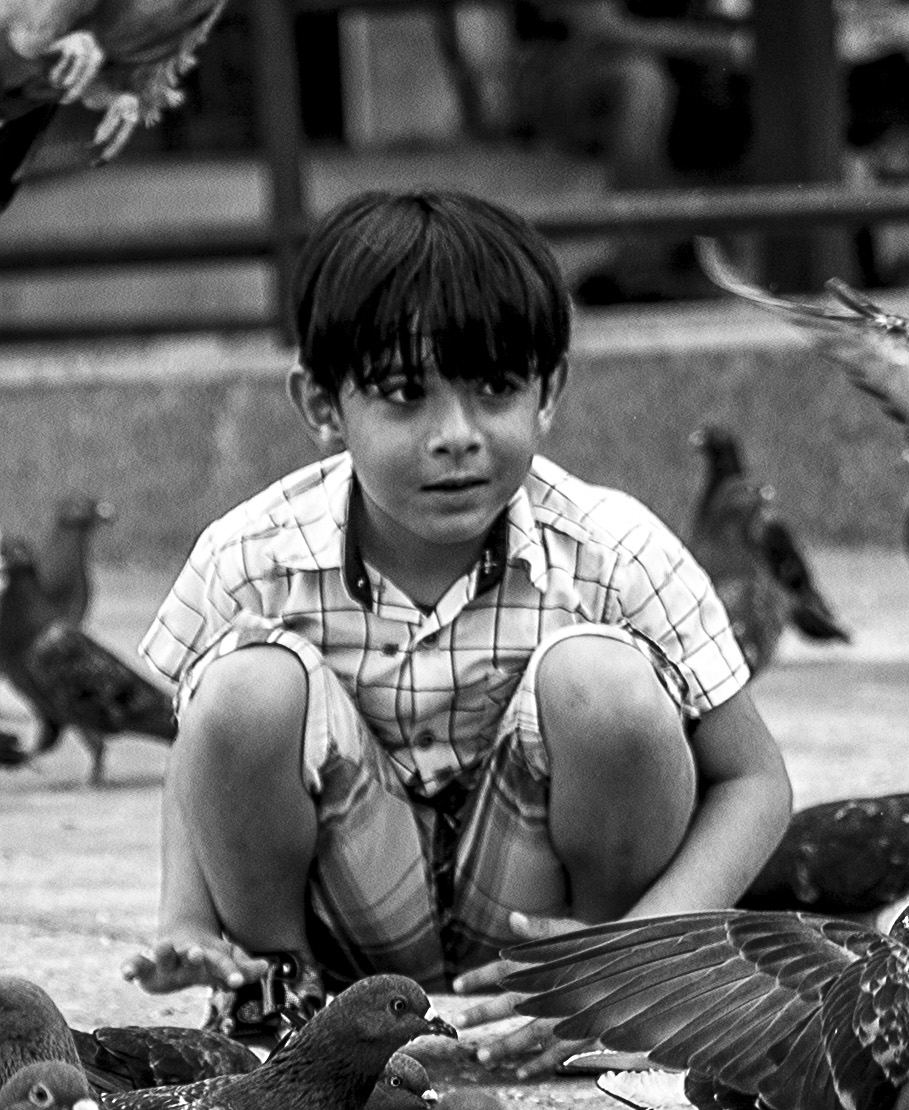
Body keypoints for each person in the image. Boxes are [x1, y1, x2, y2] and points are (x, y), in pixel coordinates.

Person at [122, 189, 793, 1075]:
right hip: (346, 922)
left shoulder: (616, 550)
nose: (456, 436)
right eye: (405, 397)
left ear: (548, 391)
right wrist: (185, 919)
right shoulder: (251, 556)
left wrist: (636, 968)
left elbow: (755, 782)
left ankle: (588, 990)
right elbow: (199, 748)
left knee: (605, 686)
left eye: (495, 389)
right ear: (321, 404)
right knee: (241, 688)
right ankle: (279, 996)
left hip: (546, 921)